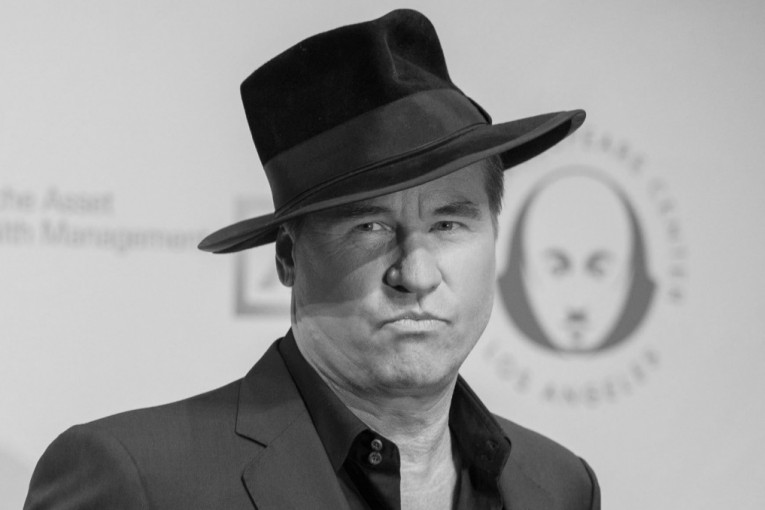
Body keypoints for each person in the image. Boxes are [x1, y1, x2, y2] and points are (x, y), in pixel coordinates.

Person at [25, 9, 599, 510]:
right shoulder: (137, 479)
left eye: (448, 224)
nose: (416, 274)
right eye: (370, 227)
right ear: (288, 257)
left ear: (494, 234)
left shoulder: (561, 485)